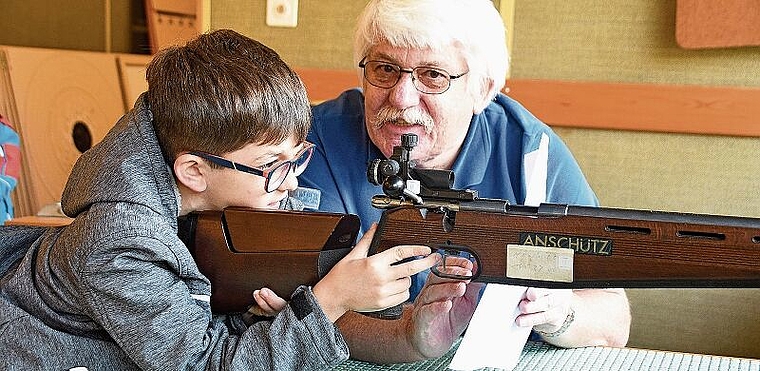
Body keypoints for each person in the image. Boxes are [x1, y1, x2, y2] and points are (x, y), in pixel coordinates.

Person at [0, 29, 439, 370]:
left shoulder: (178, 189)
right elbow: (205, 363)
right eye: (271, 166)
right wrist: (331, 301)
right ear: (193, 171)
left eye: (298, 157)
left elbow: (193, 326)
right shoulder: (119, 242)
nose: (288, 185)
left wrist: (259, 316)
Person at [296, 0, 632, 361]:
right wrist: (408, 336)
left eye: (433, 76)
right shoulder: (317, 143)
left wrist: (558, 313)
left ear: (484, 90)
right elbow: (295, 309)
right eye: (384, 69)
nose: (402, 97)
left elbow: (613, 317)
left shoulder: (528, 152)